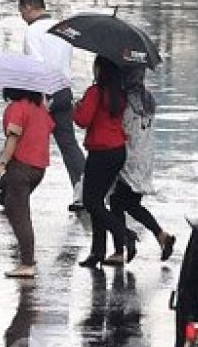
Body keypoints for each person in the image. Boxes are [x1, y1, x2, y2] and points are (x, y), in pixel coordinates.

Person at [0, 0, 84, 212]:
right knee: (69, 145)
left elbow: (36, 66)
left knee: (20, 140)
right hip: (64, 90)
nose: (21, 16)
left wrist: (35, 98)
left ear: (28, 7)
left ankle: (5, 191)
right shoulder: (62, 28)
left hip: (43, 93)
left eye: (21, 11)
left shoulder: (32, 32)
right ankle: (84, 193)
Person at [108, 67, 176, 261]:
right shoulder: (148, 99)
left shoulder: (125, 102)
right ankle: (160, 236)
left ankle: (121, 248)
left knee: (118, 203)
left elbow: (123, 130)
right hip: (144, 159)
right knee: (130, 204)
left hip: (128, 158)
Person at [74, 56, 135, 267]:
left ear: (100, 69)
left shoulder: (95, 92)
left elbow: (83, 120)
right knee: (97, 201)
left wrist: (77, 107)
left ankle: (125, 234)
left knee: (91, 202)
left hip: (100, 152)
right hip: (117, 150)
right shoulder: (119, 93)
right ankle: (97, 252)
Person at [0, 88, 54, 278]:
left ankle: (27, 263)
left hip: (22, 167)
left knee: (20, 215)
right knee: (13, 206)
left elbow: (13, 138)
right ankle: (27, 260)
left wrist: (2, 164)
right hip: (38, 168)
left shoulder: (17, 108)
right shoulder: (39, 108)